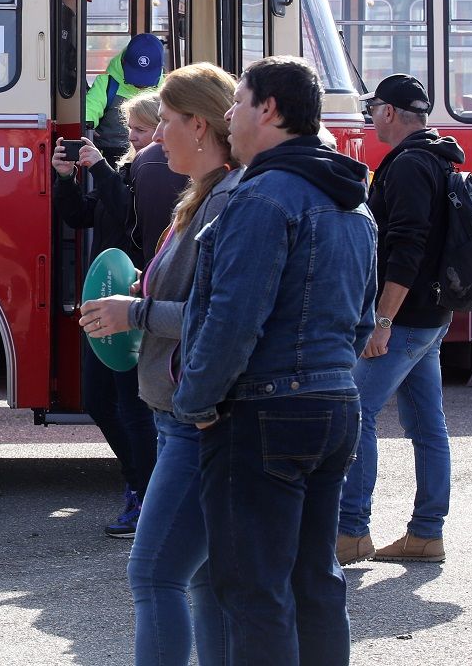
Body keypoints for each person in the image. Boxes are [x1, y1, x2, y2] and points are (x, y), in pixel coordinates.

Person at [172, 56, 376, 666]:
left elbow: (233, 320)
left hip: (262, 411)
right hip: (335, 403)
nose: (228, 115)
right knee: (316, 582)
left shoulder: (262, 198)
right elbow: (362, 320)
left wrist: (195, 402)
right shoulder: (353, 203)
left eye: (238, 101)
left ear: (270, 110)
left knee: (254, 590)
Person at [80, 63, 241, 665]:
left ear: (198, 126)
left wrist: (137, 313)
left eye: (166, 121)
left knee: (154, 576)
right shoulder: (204, 195)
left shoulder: (223, 202)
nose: (152, 135)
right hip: (186, 414)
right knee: (198, 578)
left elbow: (221, 315)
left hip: (192, 419)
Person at [337, 74, 462, 566]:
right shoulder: (439, 156)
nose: (370, 118)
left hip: (405, 318)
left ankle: (351, 530)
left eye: (373, 110)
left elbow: (406, 245)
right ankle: (426, 534)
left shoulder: (409, 165)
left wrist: (381, 320)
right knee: (428, 424)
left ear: (389, 112)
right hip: (431, 314)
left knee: (358, 412)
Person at [54, 91, 167, 538]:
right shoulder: (127, 170)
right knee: (100, 399)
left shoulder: (157, 173)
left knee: (132, 403)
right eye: (132, 130)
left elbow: (131, 219)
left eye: (140, 129)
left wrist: (99, 168)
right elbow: (82, 216)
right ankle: (139, 483)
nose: (133, 138)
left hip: (132, 302)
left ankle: (144, 494)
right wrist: (65, 180)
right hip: (105, 297)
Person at [85, 32, 165, 160]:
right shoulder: (106, 84)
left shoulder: (165, 88)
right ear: (123, 62)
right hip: (110, 155)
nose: (140, 85)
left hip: (154, 155)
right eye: (136, 76)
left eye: (146, 79)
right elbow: (90, 107)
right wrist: (86, 124)